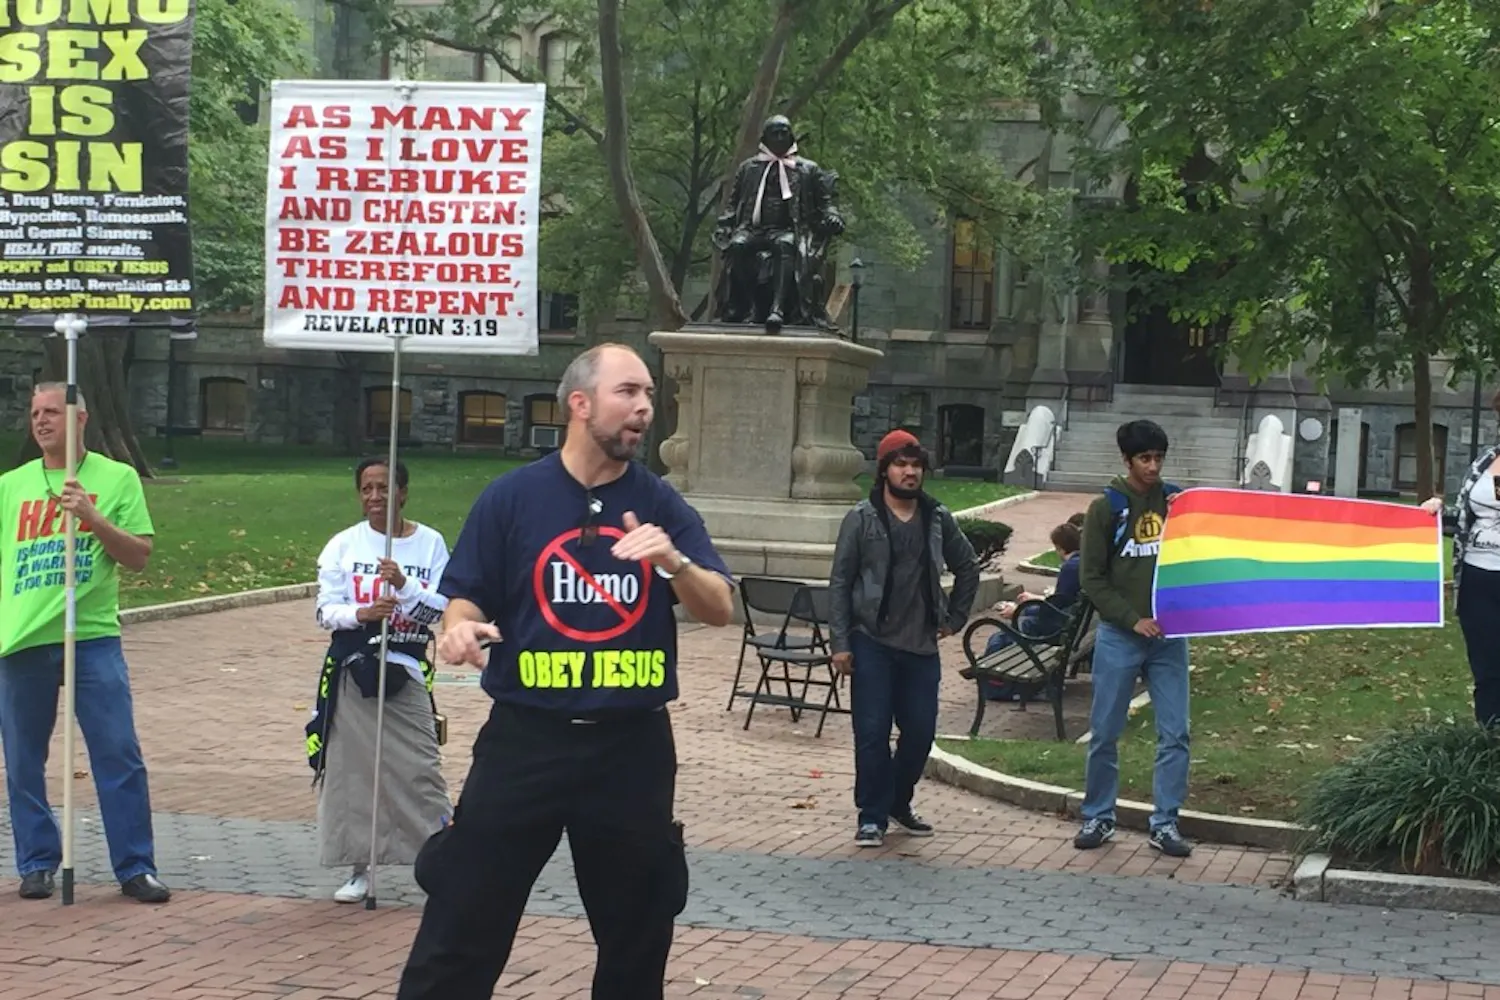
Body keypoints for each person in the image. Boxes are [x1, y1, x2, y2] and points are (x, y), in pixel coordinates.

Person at [394, 343, 735, 1000]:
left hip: (629, 749)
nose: (643, 408)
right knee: (463, 918)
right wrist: (457, 626)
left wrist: (673, 562)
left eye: (648, 397)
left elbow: (719, 606)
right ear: (579, 404)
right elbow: (466, 595)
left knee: (638, 932)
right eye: (628, 392)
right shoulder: (513, 499)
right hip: (526, 741)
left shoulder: (659, 503)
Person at [0, 384, 169, 902]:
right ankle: (36, 861)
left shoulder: (115, 479)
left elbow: (139, 555)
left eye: (53, 411)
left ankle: (135, 866)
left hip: (91, 636)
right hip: (24, 639)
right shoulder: (11, 485)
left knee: (117, 750)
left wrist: (93, 519)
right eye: (35, 413)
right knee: (24, 758)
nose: (42, 421)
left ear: (80, 419)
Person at [305, 458, 453, 903]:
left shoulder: (430, 545)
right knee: (354, 771)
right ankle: (359, 868)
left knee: (420, 768)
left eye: (384, 488)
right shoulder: (343, 546)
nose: (375, 497)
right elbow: (324, 610)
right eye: (367, 489)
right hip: (355, 665)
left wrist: (405, 586)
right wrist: (361, 614)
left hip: (405, 665)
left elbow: (440, 610)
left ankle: (442, 863)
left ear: (403, 493)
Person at [828, 429, 980, 848]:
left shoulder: (937, 518)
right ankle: (871, 815)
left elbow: (968, 567)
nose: (910, 472)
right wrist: (840, 642)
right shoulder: (862, 518)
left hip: (921, 646)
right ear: (884, 470)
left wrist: (957, 617)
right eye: (901, 464)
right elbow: (840, 581)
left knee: (920, 732)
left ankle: (898, 801)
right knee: (872, 732)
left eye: (916, 466)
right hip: (871, 640)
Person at [1072, 419, 1191, 858]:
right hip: (1122, 636)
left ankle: (1165, 823)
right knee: (1105, 730)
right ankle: (1099, 816)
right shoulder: (1106, 509)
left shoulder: (1175, 502)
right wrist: (1131, 618)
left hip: (1169, 637)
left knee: (1176, 732)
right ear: (1127, 460)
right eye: (1145, 458)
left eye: (1159, 457)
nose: (1153, 466)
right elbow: (1092, 579)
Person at [1421, 394, 1500, 727]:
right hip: (1476, 580)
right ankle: (1490, 744)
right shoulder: (1486, 461)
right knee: (1487, 669)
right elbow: (1468, 520)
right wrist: (1436, 514)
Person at [981, 521, 1083, 702]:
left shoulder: (1071, 568)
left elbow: (1052, 613)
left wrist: (1018, 611)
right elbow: (1062, 601)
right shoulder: (1083, 563)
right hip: (1076, 629)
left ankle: (1000, 686)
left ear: (1059, 548)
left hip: (1057, 632)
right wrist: (1036, 600)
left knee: (1001, 637)